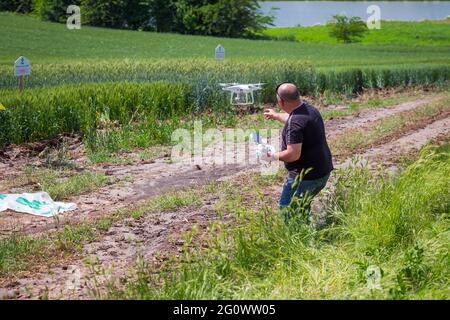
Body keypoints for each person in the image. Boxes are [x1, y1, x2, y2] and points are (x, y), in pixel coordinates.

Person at [263, 83, 333, 223]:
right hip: (322, 172)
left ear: (281, 101)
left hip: (306, 178)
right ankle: (308, 231)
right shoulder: (309, 109)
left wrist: (271, 156)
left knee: (287, 209)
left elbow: (293, 154)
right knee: (301, 206)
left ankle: (299, 241)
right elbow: (294, 119)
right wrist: (276, 116)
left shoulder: (294, 123)